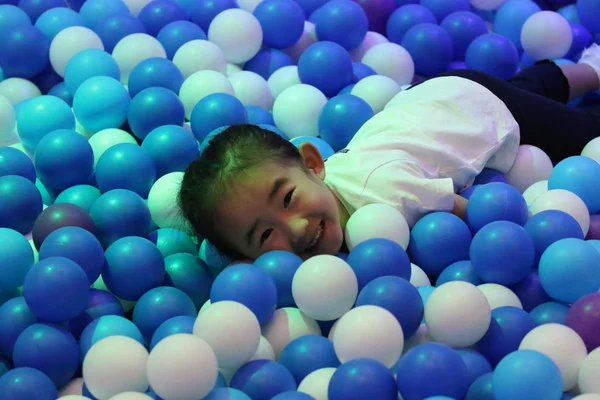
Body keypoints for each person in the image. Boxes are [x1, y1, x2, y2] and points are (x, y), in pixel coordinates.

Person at [178, 44, 600, 262]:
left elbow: (473, 214)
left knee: (581, 132)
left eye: (287, 198)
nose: (297, 226)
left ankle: (593, 67)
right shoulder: (313, 225)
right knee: (530, 85)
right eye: (265, 235)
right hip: (422, 102)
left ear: (313, 164)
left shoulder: (384, 192)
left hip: (476, 107)